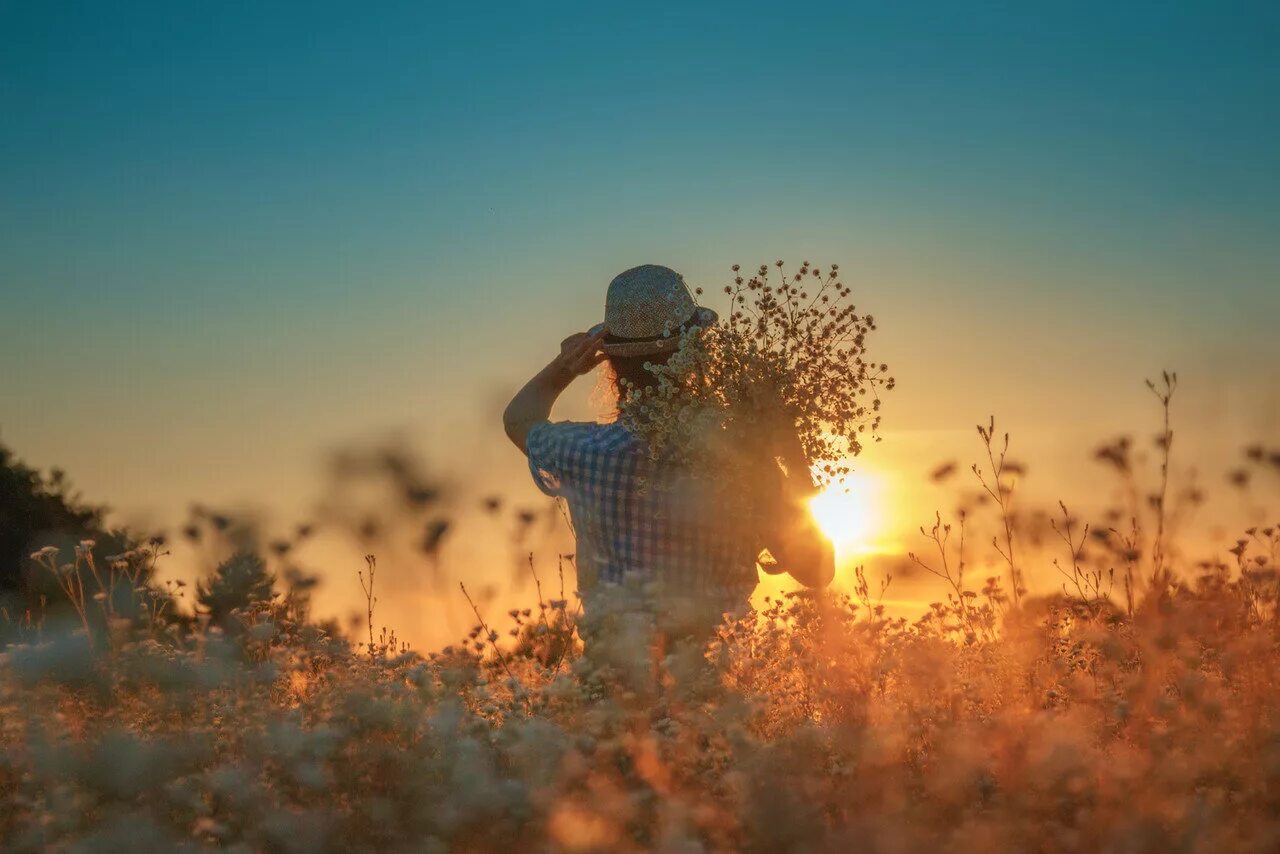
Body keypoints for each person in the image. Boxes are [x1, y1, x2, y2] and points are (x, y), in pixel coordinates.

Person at [502, 264, 833, 645]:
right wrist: (792, 458)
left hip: (614, 684)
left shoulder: (588, 452)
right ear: (698, 355)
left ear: (610, 364)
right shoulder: (738, 464)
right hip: (706, 686)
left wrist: (565, 366)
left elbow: (519, 418)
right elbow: (817, 570)